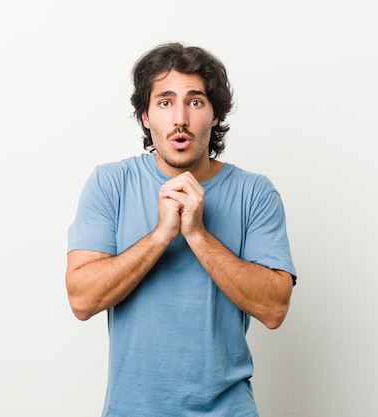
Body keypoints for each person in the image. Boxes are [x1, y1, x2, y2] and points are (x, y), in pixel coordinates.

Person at [65, 42, 297, 417]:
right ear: (145, 116)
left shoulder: (255, 192)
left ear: (215, 116)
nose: (180, 120)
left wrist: (197, 234)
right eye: (165, 102)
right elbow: (81, 300)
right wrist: (161, 235)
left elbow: (273, 308)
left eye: (195, 102)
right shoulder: (110, 183)